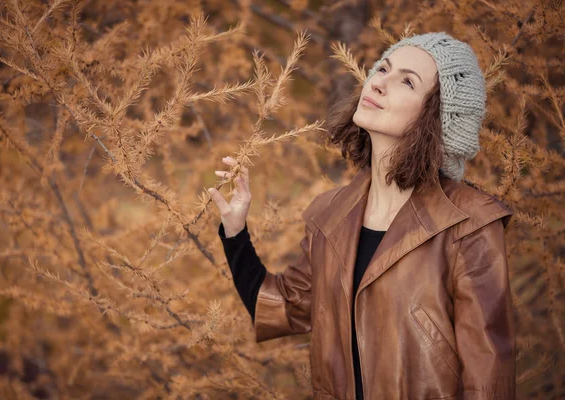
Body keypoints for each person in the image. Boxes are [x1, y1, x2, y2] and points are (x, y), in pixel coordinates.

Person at [208, 32, 516, 400]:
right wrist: (236, 230)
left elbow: (488, 378)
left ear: (438, 116)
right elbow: (283, 307)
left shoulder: (469, 224)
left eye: (407, 81)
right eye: (382, 68)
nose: (380, 82)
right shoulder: (330, 214)